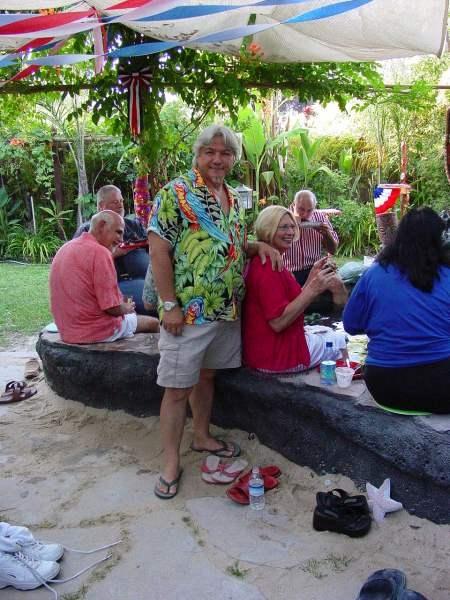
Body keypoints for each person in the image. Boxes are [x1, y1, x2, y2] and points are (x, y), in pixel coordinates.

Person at [149, 125, 281, 499]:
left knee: (206, 377)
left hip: (225, 309)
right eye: (210, 152)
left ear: (234, 158)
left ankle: (202, 436)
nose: (218, 159)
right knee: (177, 389)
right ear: (198, 154)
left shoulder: (233, 197)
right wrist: (170, 305)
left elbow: (231, 242)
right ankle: (170, 463)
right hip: (187, 313)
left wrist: (257, 246)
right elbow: (158, 250)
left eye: (225, 153)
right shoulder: (175, 193)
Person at [343, 207, 450, 414]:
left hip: (385, 387)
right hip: (443, 387)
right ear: (438, 241)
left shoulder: (374, 273)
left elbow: (350, 325)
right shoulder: (446, 275)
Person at [242, 205, 348, 373]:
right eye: (283, 227)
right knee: (340, 340)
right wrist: (313, 289)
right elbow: (278, 322)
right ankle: (342, 384)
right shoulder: (268, 266)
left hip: (264, 350)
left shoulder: (268, 259)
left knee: (327, 331)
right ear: (268, 229)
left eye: (292, 226)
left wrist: (312, 276)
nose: (290, 232)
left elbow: (291, 303)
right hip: (278, 356)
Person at [50, 210, 158, 344]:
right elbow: (112, 308)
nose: (122, 240)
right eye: (118, 232)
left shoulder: (65, 247)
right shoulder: (100, 253)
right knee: (153, 323)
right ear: (101, 225)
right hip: (96, 331)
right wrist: (127, 308)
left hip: (67, 332)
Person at [74, 185, 151, 314]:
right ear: (101, 206)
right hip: (115, 286)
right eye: (115, 202)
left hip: (147, 279)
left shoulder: (134, 225)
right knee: (156, 300)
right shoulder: (88, 230)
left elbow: (152, 250)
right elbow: (81, 264)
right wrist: (113, 253)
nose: (120, 205)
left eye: (121, 201)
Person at [283, 189, 339, 285]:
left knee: (337, 284)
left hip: (314, 269)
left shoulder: (320, 217)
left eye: (309, 210)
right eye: (301, 209)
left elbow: (333, 250)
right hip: (289, 271)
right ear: (293, 204)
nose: (305, 214)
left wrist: (326, 234)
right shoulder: (283, 217)